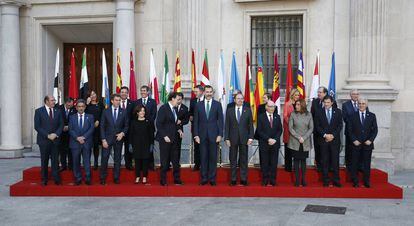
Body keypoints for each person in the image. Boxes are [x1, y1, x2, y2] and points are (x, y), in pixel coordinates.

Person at [193, 85, 224, 186]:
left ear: (213, 93)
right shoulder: (198, 105)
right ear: (204, 93)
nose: (209, 93)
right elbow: (196, 121)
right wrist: (196, 135)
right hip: (201, 136)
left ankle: (212, 179)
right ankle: (204, 178)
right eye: (207, 92)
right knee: (203, 157)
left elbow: (220, 121)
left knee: (213, 158)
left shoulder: (217, 105)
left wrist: (220, 134)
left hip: (214, 136)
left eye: (210, 92)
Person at [224, 93, 254, 186]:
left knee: (243, 160)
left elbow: (250, 126)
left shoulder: (248, 110)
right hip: (232, 139)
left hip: (244, 139)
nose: (240, 100)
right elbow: (227, 125)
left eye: (241, 98)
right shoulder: (229, 110)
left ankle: (243, 179)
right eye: (238, 98)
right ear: (234, 100)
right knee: (233, 159)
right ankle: (233, 179)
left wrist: (250, 137)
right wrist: (226, 138)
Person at [347, 97, 378, 188]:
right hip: (356, 144)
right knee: (355, 163)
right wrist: (354, 140)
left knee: (366, 164)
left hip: (367, 144)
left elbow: (375, 130)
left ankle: (366, 181)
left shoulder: (372, 116)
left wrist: (370, 140)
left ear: (366, 105)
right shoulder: (352, 116)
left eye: (363, 104)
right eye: (359, 103)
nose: (361, 105)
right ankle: (355, 181)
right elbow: (349, 130)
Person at [100, 94, 129, 185]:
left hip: (118, 139)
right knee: (104, 158)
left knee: (117, 159)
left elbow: (127, 125)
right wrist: (103, 139)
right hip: (107, 140)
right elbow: (102, 126)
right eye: (116, 100)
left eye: (119, 100)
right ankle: (103, 178)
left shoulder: (124, 111)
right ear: (112, 101)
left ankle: (116, 178)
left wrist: (122, 133)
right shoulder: (106, 111)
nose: (118, 102)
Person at [34, 95, 63, 186]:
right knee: (44, 160)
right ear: (46, 101)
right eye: (52, 100)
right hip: (44, 140)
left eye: (54, 100)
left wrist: (56, 134)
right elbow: (37, 126)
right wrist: (47, 135)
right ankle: (44, 179)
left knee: (55, 160)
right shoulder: (39, 111)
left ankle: (56, 178)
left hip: (55, 140)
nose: (54, 101)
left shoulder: (58, 111)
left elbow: (61, 125)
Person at [314, 95, 343, 187]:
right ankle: (325, 180)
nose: (326, 104)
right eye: (324, 102)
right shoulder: (319, 112)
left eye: (328, 102)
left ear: (332, 103)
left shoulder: (338, 112)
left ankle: (336, 180)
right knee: (324, 160)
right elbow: (317, 126)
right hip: (323, 140)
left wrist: (333, 135)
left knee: (335, 161)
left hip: (335, 140)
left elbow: (340, 125)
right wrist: (325, 135)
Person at [156, 92, 183, 186]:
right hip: (165, 139)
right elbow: (159, 124)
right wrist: (164, 136)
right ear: (172, 99)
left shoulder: (175, 109)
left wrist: (179, 130)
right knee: (164, 160)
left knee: (175, 160)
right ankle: (163, 180)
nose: (179, 101)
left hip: (174, 138)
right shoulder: (163, 108)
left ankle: (177, 179)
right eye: (177, 99)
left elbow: (175, 123)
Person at [68, 99, 94, 185]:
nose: (81, 108)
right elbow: (70, 129)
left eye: (82, 106)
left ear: (85, 107)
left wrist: (84, 137)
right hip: (75, 143)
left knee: (86, 161)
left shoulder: (90, 116)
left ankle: (87, 178)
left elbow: (91, 128)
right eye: (79, 106)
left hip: (86, 142)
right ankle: (78, 178)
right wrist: (77, 138)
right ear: (76, 107)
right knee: (76, 161)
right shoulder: (72, 117)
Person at [256, 101, 282, 186]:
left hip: (275, 143)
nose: (272, 108)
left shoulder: (277, 117)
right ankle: (265, 180)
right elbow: (259, 131)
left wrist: (275, 139)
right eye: (270, 106)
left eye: (273, 107)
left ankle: (273, 180)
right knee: (264, 163)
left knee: (274, 163)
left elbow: (280, 130)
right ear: (266, 107)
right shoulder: (261, 117)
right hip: (264, 143)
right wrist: (268, 139)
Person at [288, 99, 314, 187]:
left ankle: (303, 179)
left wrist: (304, 137)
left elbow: (311, 128)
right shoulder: (293, 114)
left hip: (305, 142)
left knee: (303, 161)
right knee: (295, 161)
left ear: (302, 105)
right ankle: (297, 180)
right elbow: (290, 128)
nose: (296, 106)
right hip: (295, 141)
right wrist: (299, 137)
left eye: (298, 104)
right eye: (296, 104)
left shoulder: (309, 114)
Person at [129, 105, 155, 184]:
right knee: (137, 162)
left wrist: (152, 144)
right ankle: (137, 177)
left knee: (145, 162)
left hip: (146, 145)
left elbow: (151, 134)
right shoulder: (133, 122)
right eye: (140, 111)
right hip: (136, 145)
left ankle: (144, 177)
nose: (142, 112)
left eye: (143, 111)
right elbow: (131, 134)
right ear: (137, 112)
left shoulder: (149, 121)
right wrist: (130, 144)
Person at [134, 85, 157, 170]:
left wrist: (146, 121)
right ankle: (140, 167)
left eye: (144, 91)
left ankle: (150, 165)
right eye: (141, 91)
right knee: (140, 147)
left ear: (148, 92)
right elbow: (135, 114)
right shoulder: (136, 102)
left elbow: (154, 115)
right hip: (138, 128)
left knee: (149, 146)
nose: (142, 92)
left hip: (149, 127)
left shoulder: (153, 102)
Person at [342, 89, 361, 171]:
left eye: (357, 94)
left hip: (360, 132)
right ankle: (348, 166)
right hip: (350, 131)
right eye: (353, 94)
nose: (355, 95)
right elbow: (345, 118)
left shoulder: (362, 103)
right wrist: (355, 124)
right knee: (349, 150)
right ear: (350, 95)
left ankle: (359, 166)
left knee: (359, 150)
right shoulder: (345, 105)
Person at [85, 90, 104, 170]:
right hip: (88, 128)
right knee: (88, 146)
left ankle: (96, 162)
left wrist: (98, 121)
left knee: (96, 145)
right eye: (91, 94)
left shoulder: (100, 104)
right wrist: (86, 104)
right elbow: (82, 114)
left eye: (94, 93)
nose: (93, 96)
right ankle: (87, 162)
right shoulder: (87, 105)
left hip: (98, 129)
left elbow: (103, 114)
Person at [283, 88, 300, 172]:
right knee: (288, 149)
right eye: (296, 95)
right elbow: (285, 116)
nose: (297, 96)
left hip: (298, 130)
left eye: (298, 95)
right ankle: (288, 167)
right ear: (292, 95)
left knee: (297, 149)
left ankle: (296, 167)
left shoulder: (300, 104)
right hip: (289, 130)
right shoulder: (287, 104)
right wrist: (291, 125)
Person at [189, 85, 204, 171]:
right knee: (196, 147)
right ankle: (197, 164)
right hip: (195, 128)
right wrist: (190, 116)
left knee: (204, 147)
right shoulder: (193, 101)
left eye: (196, 91)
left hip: (205, 128)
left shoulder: (206, 101)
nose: (195, 93)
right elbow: (190, 112)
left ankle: (204, 164)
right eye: (194, 92)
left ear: (202, 92)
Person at [119, 86, 135, 170]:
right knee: (117, 147)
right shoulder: (116, 102)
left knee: (128, 148)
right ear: (120, 93)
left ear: (128, 93)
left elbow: (134, 117)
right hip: (118, 130)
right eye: (122, 92)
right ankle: (117, 163)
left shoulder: (132, 103)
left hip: (129, 130)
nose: (124, 93)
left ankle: (128, 164)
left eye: (125, 92)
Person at [58, 97, 76, 171]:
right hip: (61, 133)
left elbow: (75, 119)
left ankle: (71, 166)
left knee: (70, 150)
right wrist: (62, 127)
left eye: (72, 104)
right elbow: (57, 120)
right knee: (62, 150)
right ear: (66, 103)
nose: (71, 106)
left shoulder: (74, 109)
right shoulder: (59, 108)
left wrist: (69, 127)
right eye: (69, 104)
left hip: (70, 133)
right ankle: (63, 165)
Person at [175, 92, 190, 162]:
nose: (178, 100)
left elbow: (186, 120)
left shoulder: (185, 108)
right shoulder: (171, 106)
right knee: (168, 147)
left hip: (179, 130)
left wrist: (181, 121)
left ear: (182, 99)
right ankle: (167, 163)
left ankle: (177, 163)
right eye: (177, 99)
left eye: (180, 99)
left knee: (177, 147)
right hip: (169, 129)